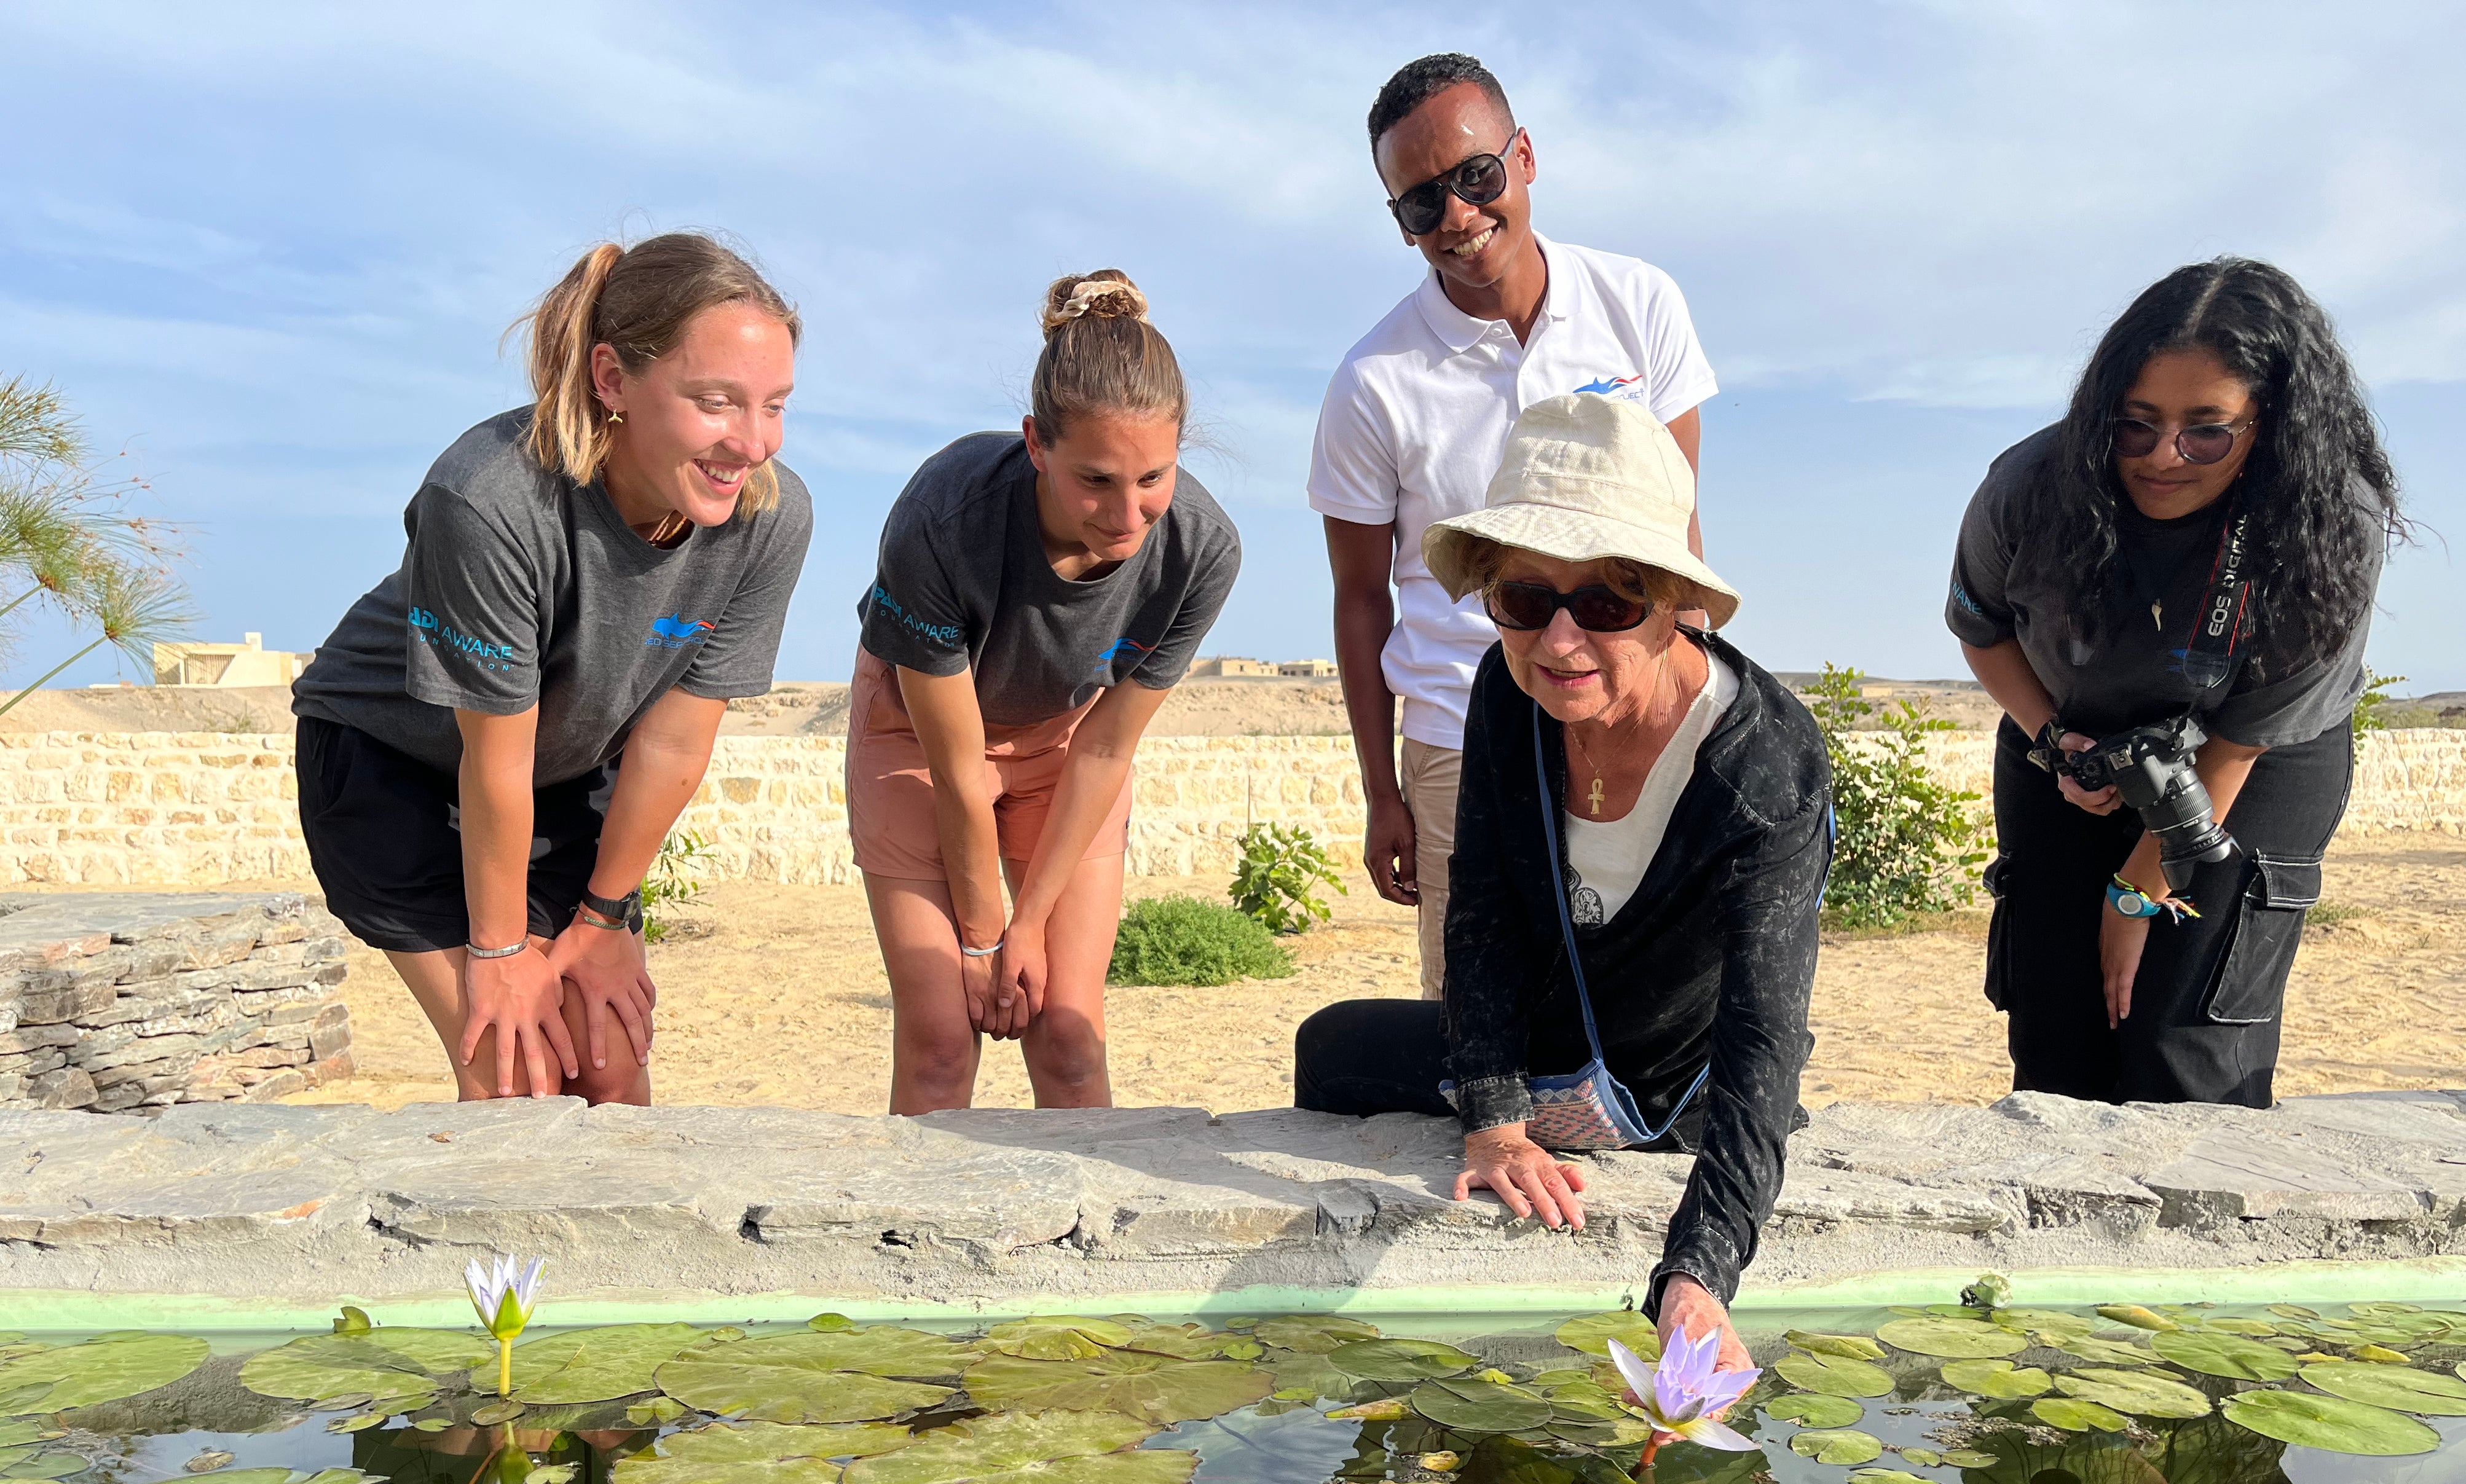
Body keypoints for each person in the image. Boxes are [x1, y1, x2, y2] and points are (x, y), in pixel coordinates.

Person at [1295, 392, 1830, 1392]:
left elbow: (1766, 1031)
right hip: (1544, 1064)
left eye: (1611, 603)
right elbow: (1485, 904)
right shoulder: (1511, 690)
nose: (1561, 642)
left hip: (1675, 1090)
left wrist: (1698, 1271)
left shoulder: (1766, 767)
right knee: (1330, 1049)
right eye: (1527, 600)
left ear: (1679, 603)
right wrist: (1495, 1118)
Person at [290, 232, 811, 1103]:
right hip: (392, 763)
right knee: (517, 1078)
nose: (751, 444)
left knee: (609, 1076)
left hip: (560, 781)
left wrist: (604, 918)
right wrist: (500, 953)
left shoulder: (769, 517)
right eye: (716, 402)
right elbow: (494, 753)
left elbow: (675, 743)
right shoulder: (489, 497)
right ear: (613, 381)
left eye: (775, 406)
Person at [1309, 51, 1720, 1000]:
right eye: (1420, 202)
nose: (1455, 215)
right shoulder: (1373, 382)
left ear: (1525, 157)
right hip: (1464, 729)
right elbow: (1361, 600)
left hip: (1635, 706)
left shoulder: (1639, 304)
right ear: (1399, 222)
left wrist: (1698, 716)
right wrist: (1384, 792)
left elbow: (1677, 529)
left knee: (1650, 990)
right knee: (1479, 1007)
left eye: (1475, 177)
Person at [1948, 257, 2405, 1105]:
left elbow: (2240, 744)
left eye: (2207, 430)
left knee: (2181, 1051)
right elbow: (1984, 633)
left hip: (2251, 756)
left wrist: (2136, 891)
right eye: (2136, 425)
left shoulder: (2328, 520)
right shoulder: (2028, 487)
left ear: (2268, 424)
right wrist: (2054, 745)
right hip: (2072, 744)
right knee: (2058, 1044)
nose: (2165, 457)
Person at [849, 271, 1240, 1113]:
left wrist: (1027, 930)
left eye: (1153, 480)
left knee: (1066, 1033)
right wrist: (986, 938)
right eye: (1095, 480)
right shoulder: (943, 518)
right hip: (921, 740)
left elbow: (1106, 746)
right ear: (1036, 444)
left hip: (1068, 743)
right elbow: (959, 772)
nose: (1127, 517)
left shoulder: (1201, 552)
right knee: (942, 1039)